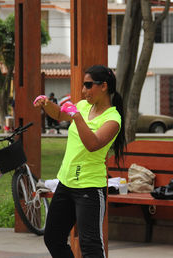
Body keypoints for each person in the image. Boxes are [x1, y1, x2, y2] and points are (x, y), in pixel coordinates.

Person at [33, 65, 126, 258]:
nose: (83, 91)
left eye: (88, 85)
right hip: (66, 183)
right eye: (83, 86)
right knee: (53, 238)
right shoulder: (84, 106)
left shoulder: (113, 119)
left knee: (90, 245)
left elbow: (93, 144)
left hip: (90, 188)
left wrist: (77, 117)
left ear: (104, 86)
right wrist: (46, 103)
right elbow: (59, 114)